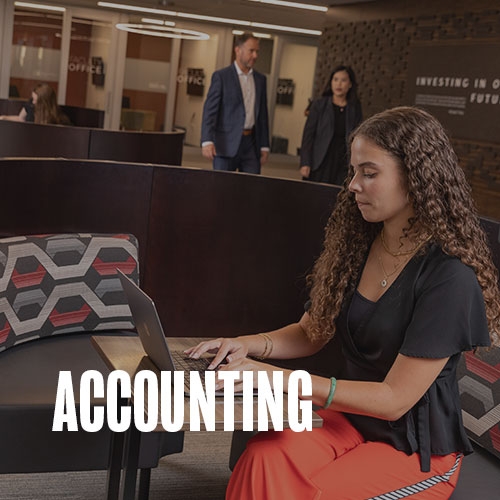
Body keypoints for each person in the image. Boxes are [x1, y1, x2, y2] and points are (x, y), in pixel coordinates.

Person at [186, 106, 500, 499]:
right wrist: (246, 344)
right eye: (353, 172)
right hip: (352, 420)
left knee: (316, 494)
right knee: (264, 455)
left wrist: (276, 377)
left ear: (418, 177)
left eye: (369, 173)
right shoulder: (361, 244)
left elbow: (393, 402)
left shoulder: (449, 277)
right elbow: (310, 331)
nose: (353, 184)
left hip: (416, 447)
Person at [201, 32, 270, 174]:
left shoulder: (260, 80)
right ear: (238, 50)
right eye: (251, 51)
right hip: (225, 144)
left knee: (251, 189)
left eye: (257, 51)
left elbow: (262, 114)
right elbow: (210, 111)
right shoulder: (221, 77)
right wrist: (207, 140)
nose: (255, 56)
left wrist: (264, 145)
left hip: (251, 144)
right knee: (223, 189)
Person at [300, 65, 362, 185]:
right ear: (331, 82)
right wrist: (305, 162)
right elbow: (308, 136)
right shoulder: (319, 105)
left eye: (343, 80)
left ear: (350, 84)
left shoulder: (354, 108)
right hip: (320, 160)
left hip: (343, 162)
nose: (339, 84)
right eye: (335, 79)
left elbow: (358, 137)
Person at [0, 83, 70, 125]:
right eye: (32, 99)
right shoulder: (30, 105)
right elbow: (20, 118)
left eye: (36, 100)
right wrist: (4, 117)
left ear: (45, 103)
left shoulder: (59, 119)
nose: (33, 102)